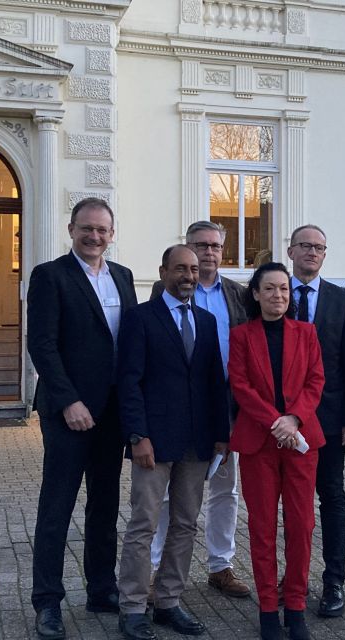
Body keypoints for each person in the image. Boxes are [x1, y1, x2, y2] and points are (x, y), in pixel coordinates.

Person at [26, 197, 138, 640]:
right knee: (57, 507)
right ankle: (47, 602)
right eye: (86, 228)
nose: (94, 236)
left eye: (102, 230)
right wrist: (68, 400)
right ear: (71, 229)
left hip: (111, 413)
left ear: (112, 233)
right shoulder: (50, 276)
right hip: (68, 413)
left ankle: (101, 588)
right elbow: (42, 345)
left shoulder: (124, 277)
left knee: (105, 504)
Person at [115, 245, 230, 640]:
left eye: (194, 269)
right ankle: (131, 606)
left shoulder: (208, 320)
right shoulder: (140, 319)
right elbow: (128, 382)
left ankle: (168, 602)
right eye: (180, 268)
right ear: (163, 271)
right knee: (143, 523)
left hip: (197, 443)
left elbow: (216, 381)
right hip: (153, 441)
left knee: (185, 524)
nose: (188, 275)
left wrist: (221, 435)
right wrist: (137, 436)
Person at [148, 220, 252, 599]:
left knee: (226, 488)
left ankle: (220, 565)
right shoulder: (166, 289)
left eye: (214, 246)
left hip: (226, 402)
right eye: (200, 245)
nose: (208, 252)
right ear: (187, 248)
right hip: (178, 403)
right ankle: (155, 567)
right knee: (163, 492)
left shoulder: (239, 295)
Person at [229, 262, 325, 640]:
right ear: (255, 293)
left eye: (284, 289)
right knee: (262, 527)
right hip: (259, 442)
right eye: (269, 289)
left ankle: (296, 607)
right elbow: (240, 384)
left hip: (301, 443)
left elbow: (316, 381)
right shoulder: (241, 336)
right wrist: (276, 421)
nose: (278, 296)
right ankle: (269, 609)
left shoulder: (307, 332)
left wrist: (294, 419)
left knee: (301, 527)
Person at [285, 224, 345, 618]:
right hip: (281, 422)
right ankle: (290, 580)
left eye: (319, 248)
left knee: (331, 498)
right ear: (290, 251)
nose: (312, 253)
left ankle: (333, 581)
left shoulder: (342, 300)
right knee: (287, 503)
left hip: (328, 420)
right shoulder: (273, 292)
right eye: (305, 246)